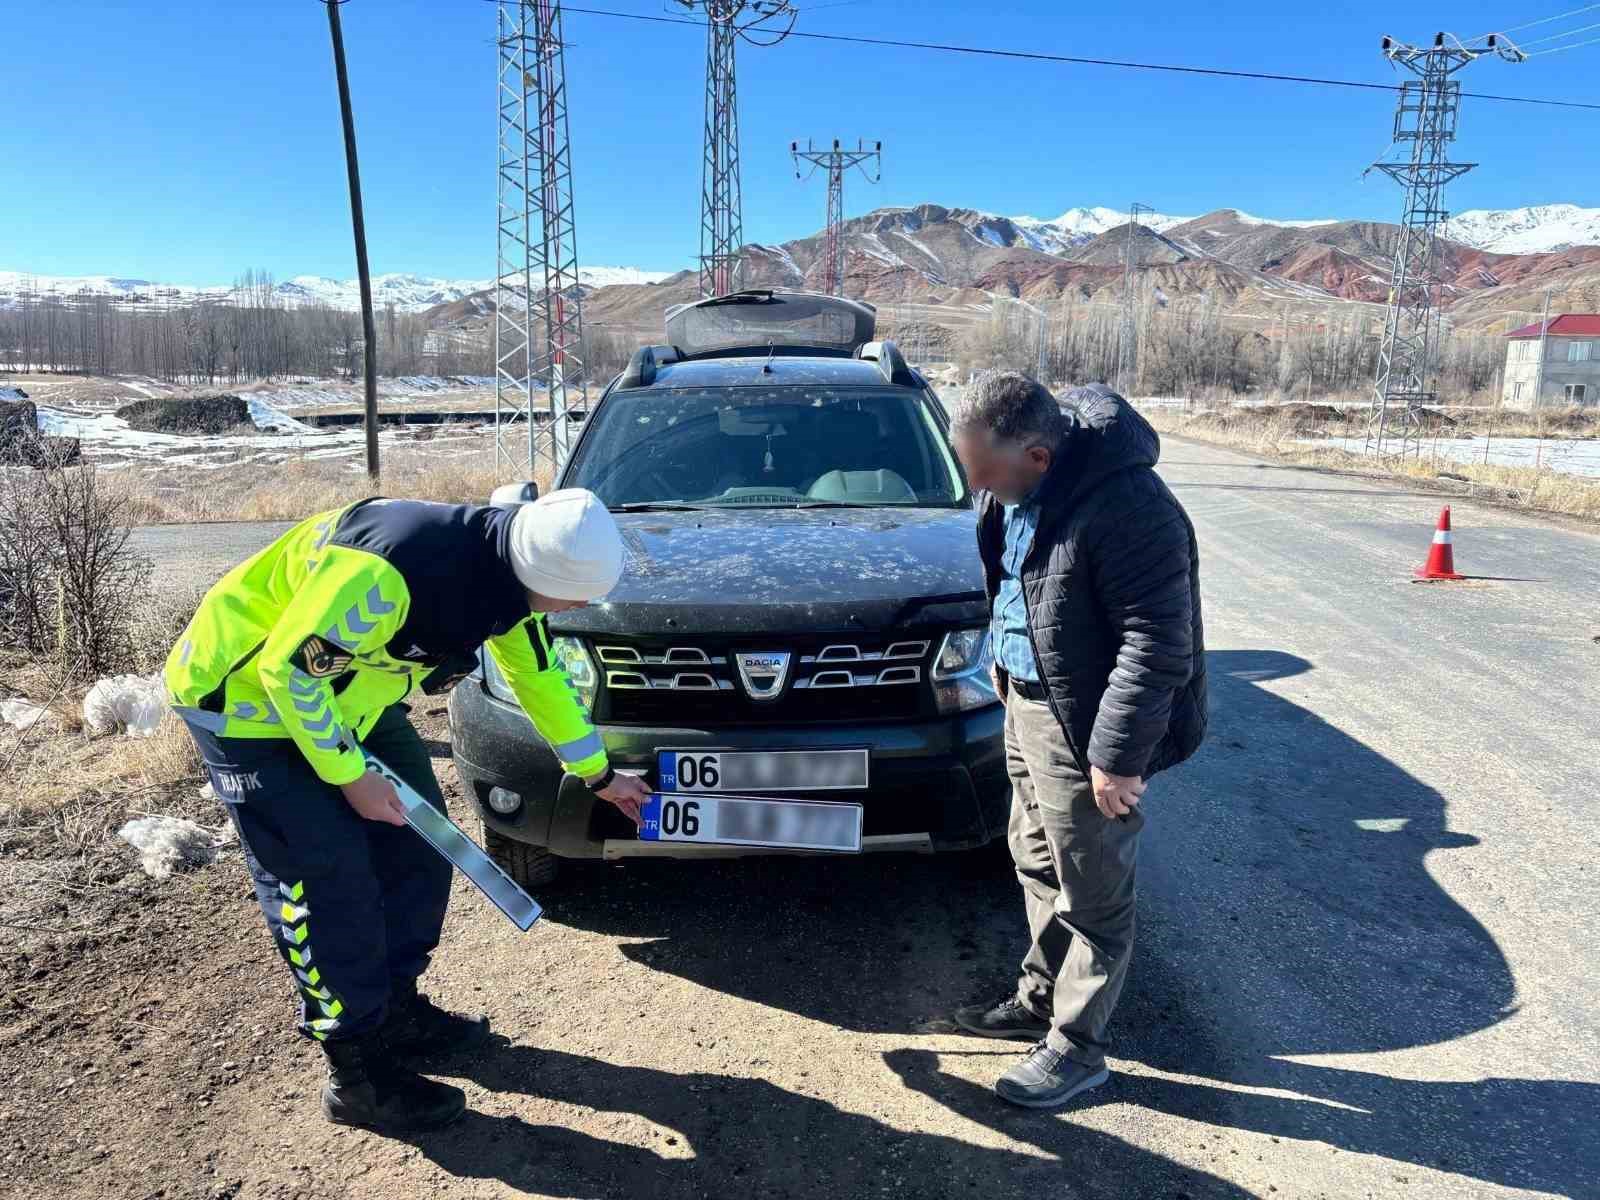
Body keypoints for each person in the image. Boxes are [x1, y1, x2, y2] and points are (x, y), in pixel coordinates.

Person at [163, 489, 651, 1133]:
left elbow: (539, 678)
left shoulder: (511, 579)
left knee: (423, 847)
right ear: (540, 574)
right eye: (574, 599)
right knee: (327, 880)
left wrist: (598, 774)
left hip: (352, 703)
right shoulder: (390, 570)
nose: (579, 609)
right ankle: (358, 1074)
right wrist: (349, 775)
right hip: (247, 705)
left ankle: (394, 1008)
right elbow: (291, 672)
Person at [948, 373, 1207, 1108]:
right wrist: (1003, 661)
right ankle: (1040, 1000)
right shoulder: (1015, 492)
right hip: (1026, 705)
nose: (978, 486)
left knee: (1093, 888)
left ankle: (1079, 1048)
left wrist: (1117, 759)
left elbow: (1158, 644)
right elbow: (1014, 581)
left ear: (1038, 454)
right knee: (1035, 858)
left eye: (985, 472)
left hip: (1085, 727)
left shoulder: (1130, 507)